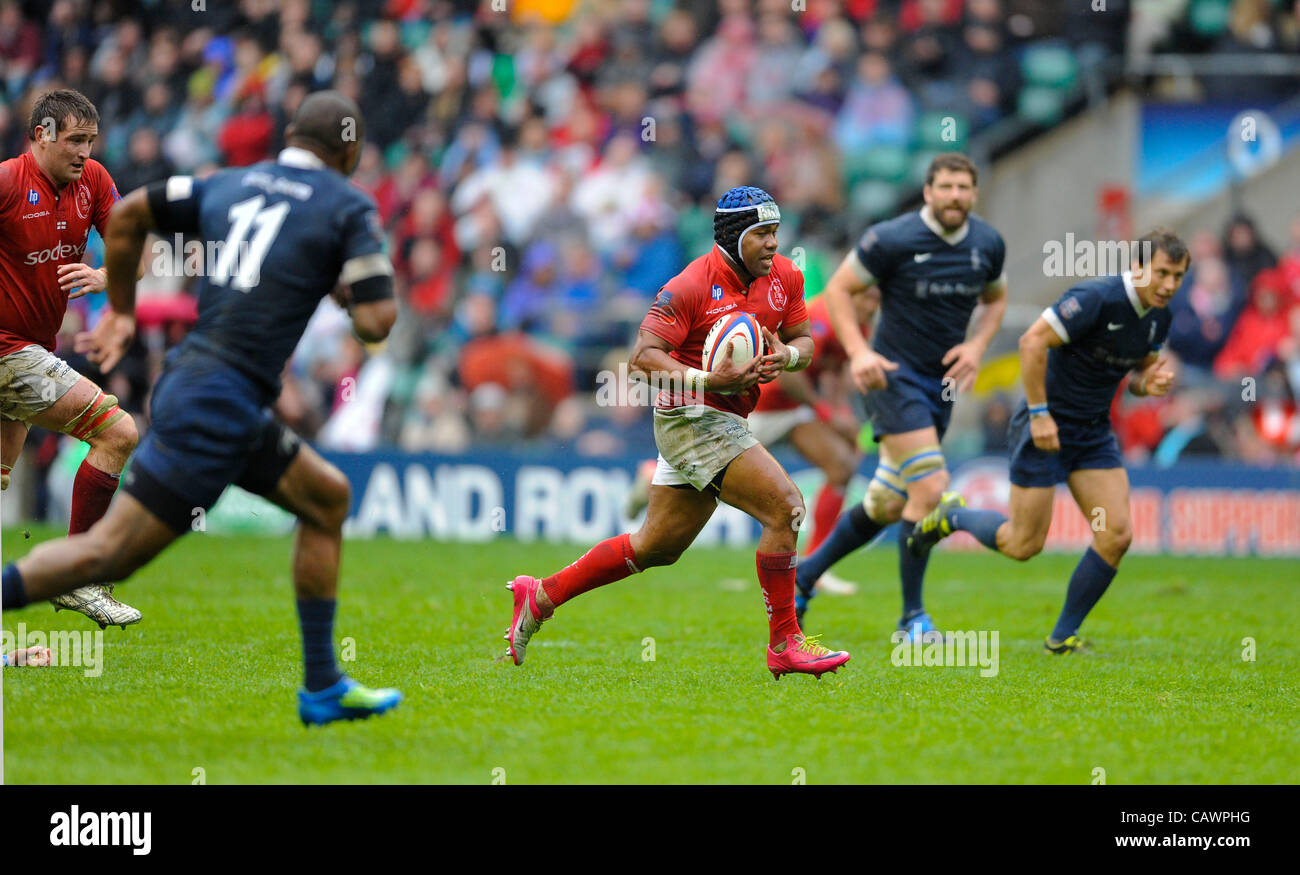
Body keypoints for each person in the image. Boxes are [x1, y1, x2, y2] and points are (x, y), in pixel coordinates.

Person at [1, 91, 403, 725]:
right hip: (219, 405)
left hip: (209, 391)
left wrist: (125, 312)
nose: (85, 154)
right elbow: (379, 325)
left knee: (326, 498)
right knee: (106, 556)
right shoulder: (348, 205)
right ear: (348, 150)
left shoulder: (230, 182)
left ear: (290, 136)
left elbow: (132, 213)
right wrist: (346, 287)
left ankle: (323, 689)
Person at [504, 186, 851, 680]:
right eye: (762, 234)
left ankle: (540, 594)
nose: (774, 244)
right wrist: (710, 379)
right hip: (689, 418)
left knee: (656, 547)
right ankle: (785, 644)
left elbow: (805, 342)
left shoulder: (786, 278)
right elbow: (642, 358)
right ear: (733, 237)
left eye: (776, 232)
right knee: (786, 507)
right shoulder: (689, 285)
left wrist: (786, 357)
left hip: (730, 419)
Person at [908, 230, 1189, 653]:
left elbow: (1136, 374)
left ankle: (1062, 636)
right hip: (1045, 428)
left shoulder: (1159, 318)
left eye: (1179, 276)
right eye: (1162, 272)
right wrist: (1040, 414)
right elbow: (1032, 341)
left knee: (1115, 535)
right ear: (1138, 266)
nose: (1169, 284)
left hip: (1092, 436)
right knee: (1022, 545)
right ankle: (951, 517)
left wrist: (1148, 383)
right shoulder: (1096, 298)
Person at [793, 153, 1008, 640]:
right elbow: (842, 291)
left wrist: (976, 345)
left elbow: (996, 299)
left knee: (888, 503)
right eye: (946, 186)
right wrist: (859, 353)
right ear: (928, 191)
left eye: (964, 188)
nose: (955, 196)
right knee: (930, 491)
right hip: (892, 377)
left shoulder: (987, 244)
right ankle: (912, 617)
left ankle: (804, 577)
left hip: (942, 385)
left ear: (974, 194)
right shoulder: (891, 238)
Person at [0, 89, 142, 628]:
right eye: (75, 140)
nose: (84, 151)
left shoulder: (95, 183)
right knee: (118, 432)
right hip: (9, 352)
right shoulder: (10, 182)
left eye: (91, 140)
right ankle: (78, 577)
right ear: (42, 135)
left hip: (32, 348)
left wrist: (108, 277)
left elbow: (137, 250)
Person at [749, 290, 878, 596]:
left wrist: (842, 415)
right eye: (867, 298)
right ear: (850, 295)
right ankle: (653, 477)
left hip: (794, 412)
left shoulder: (857, 326)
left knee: (842, 466)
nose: (872, 306)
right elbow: (785, 376)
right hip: (758, 407)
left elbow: (835, 374)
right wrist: (826, 412)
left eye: (877, 300)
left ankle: (815, 565)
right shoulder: (817, 319)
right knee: (703, 479)